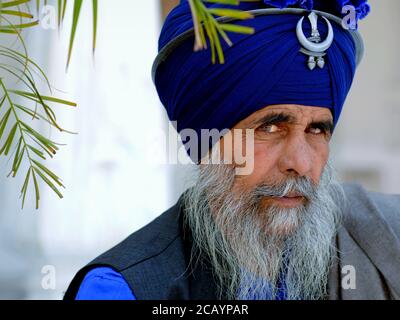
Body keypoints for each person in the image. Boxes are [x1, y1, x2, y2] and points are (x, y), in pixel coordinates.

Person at [64, 0, 400, 300]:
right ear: (208, 142)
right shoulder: (124, 288)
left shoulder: (374, 243)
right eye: (269, 128)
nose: (300, 162)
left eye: (317, 129)